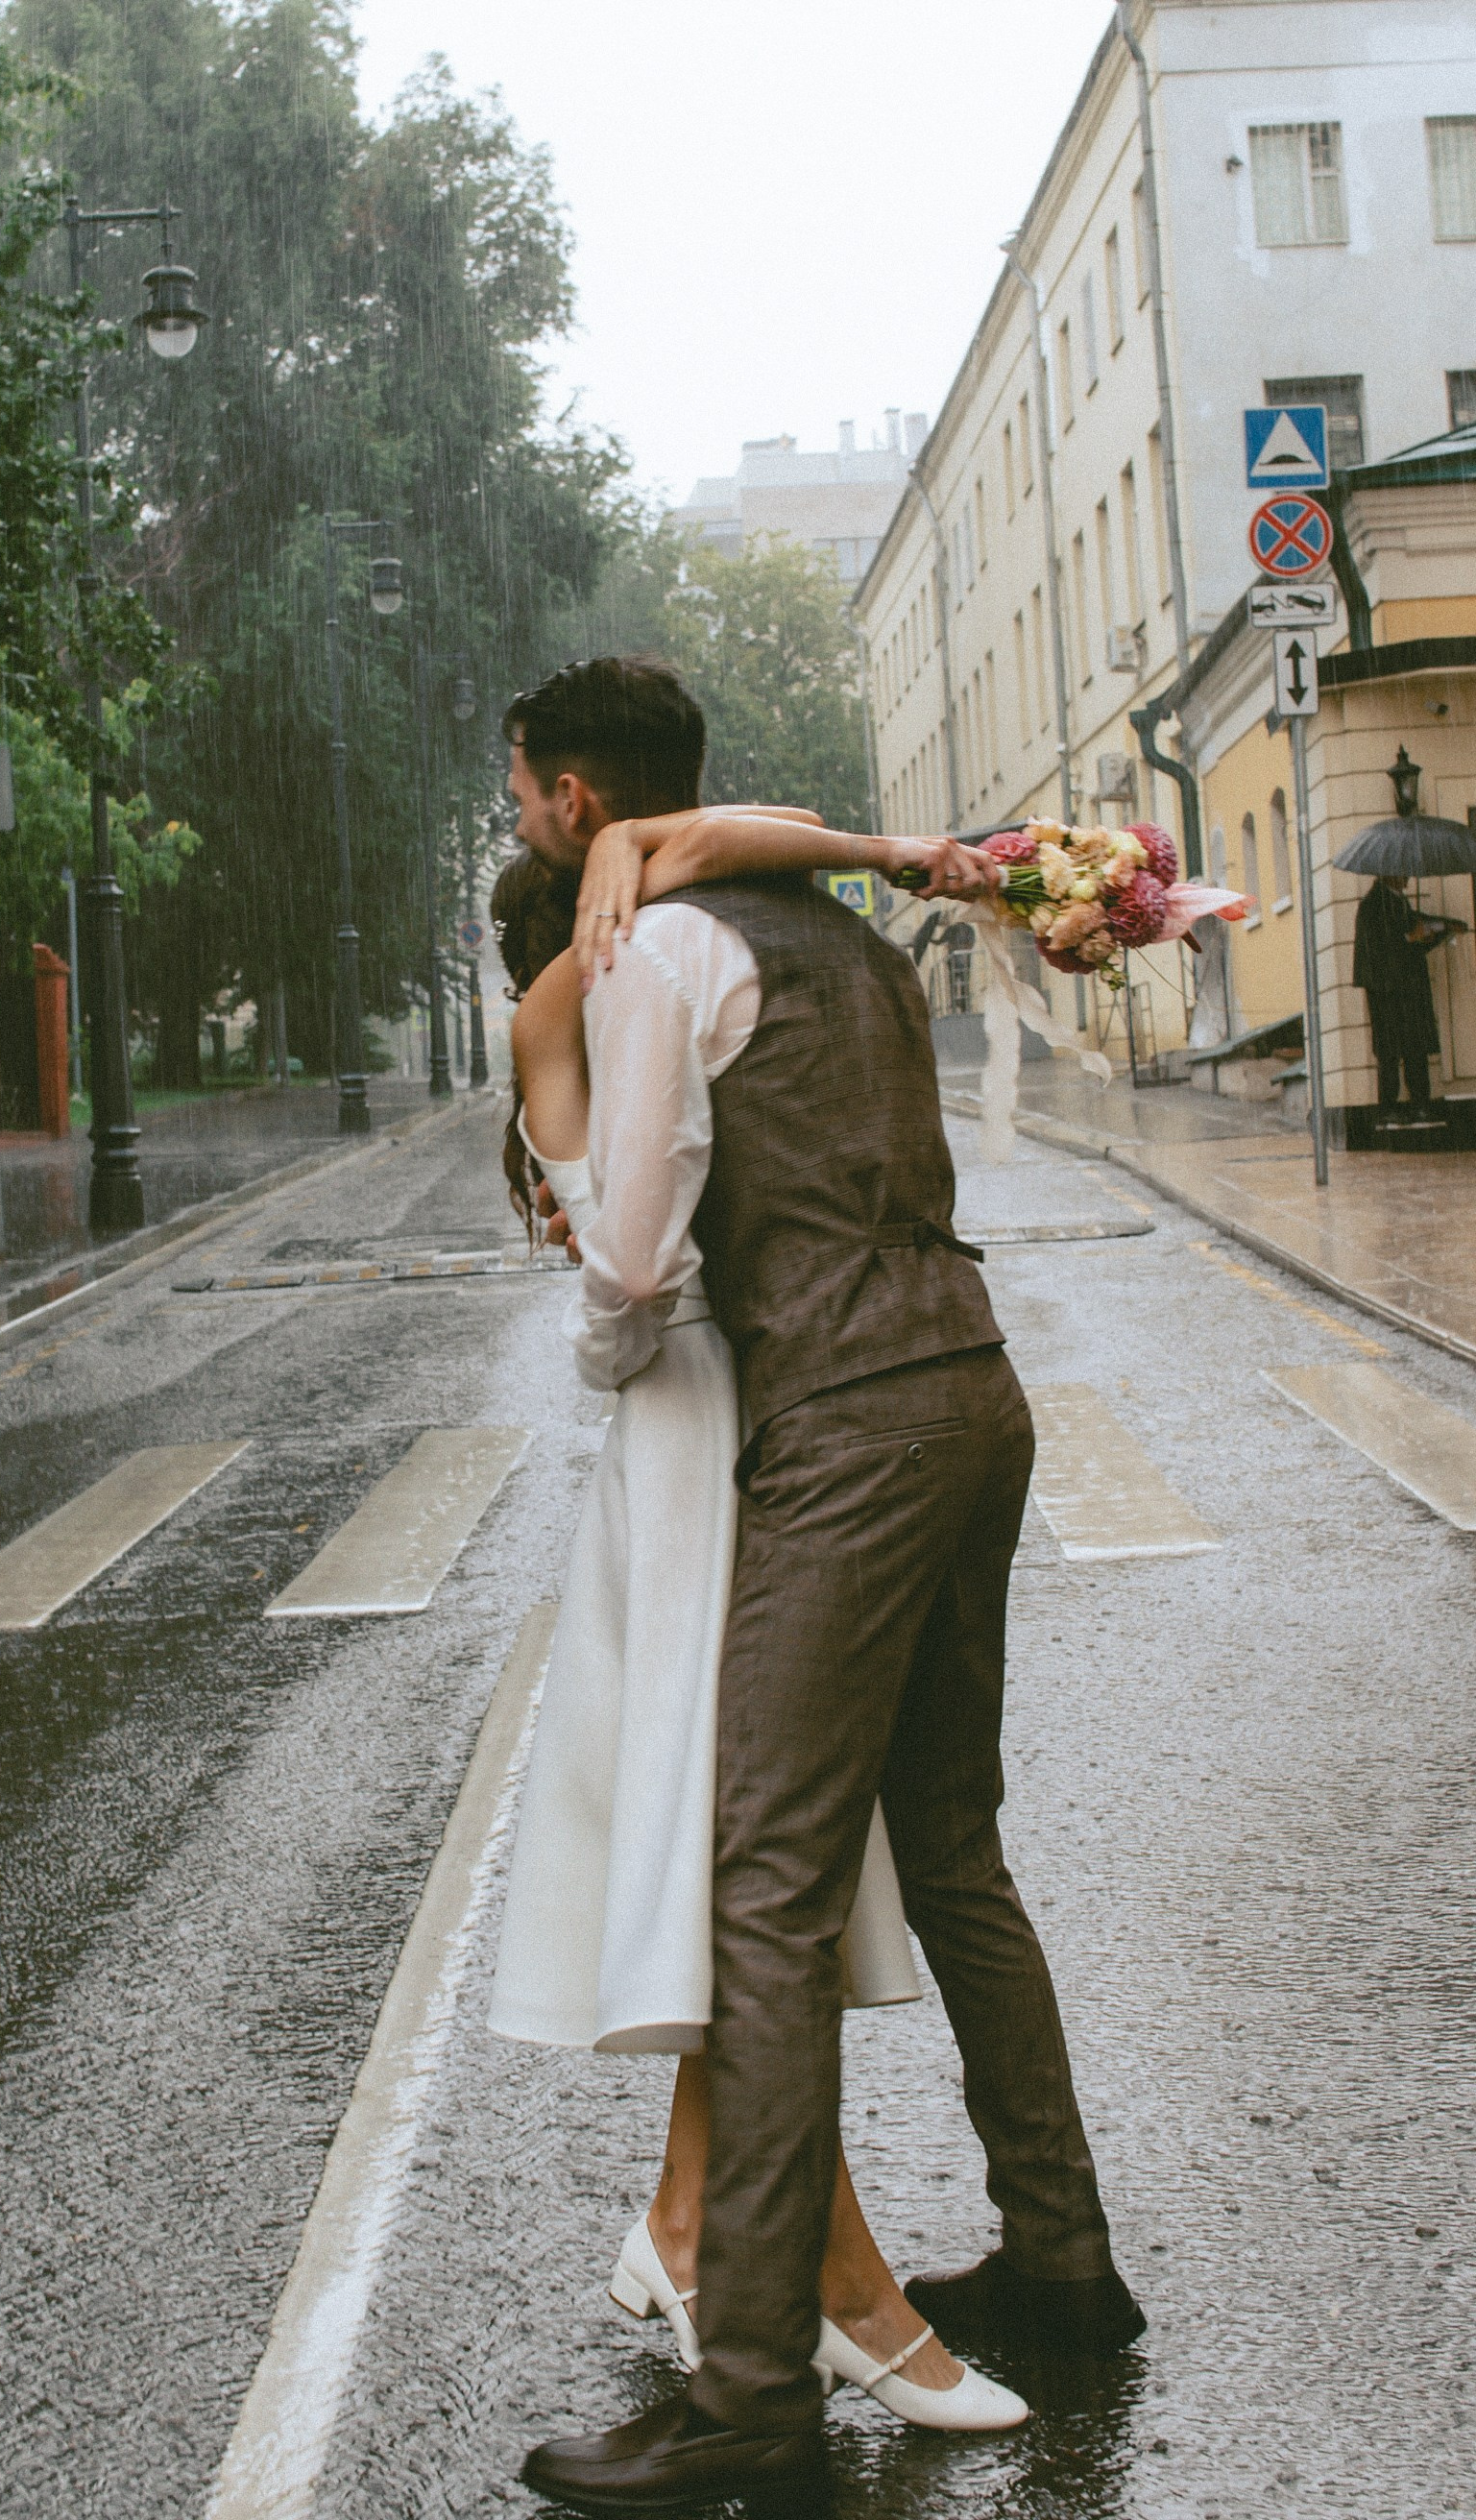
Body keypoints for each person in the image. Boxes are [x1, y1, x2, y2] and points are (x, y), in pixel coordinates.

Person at [500, 660, 1142, 2518]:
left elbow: (633, 1265)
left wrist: (608, 1341)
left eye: (527, 794)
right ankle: (1060, 2258)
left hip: (843, 1423)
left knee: (760, 1896)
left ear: (575, 801)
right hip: (972, 1383)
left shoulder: (655, 953)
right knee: (950, 1844)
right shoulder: (846, 941)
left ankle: (753, 2394)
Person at [486, 832, 1028, 2438]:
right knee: (745, 1863)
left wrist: (657, 848)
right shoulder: (581, 1006)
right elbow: (623, 1289)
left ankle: (690, 2227)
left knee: (738, 1854)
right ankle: (825, 2286)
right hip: (693, 1435)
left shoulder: (664, 964)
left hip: (768, 1419)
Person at [1353, 873, 1448, 1110]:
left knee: (1409, 1048)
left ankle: (1414, 1104)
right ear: (1389, 874)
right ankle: (1394, 1108)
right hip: (1389, 991)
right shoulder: (1373, 905)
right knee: (1393, 1051)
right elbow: (1381, 948)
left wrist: (1434, 931)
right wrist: (1411, 938)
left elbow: (1407, 938)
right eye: (1402, 872)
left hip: (1402, 988)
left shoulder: (1395, 902)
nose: (1408, 876)